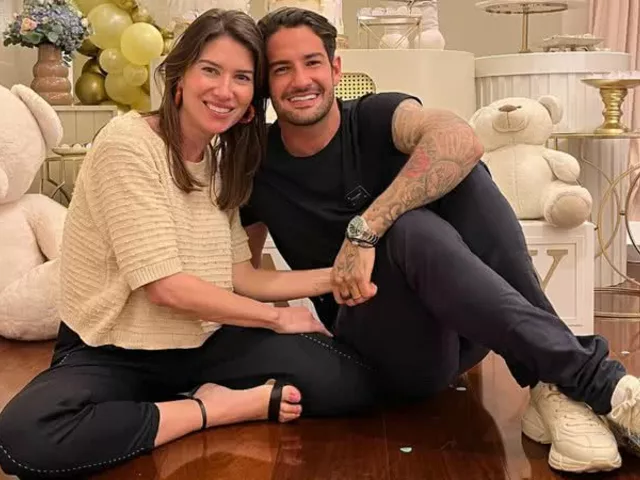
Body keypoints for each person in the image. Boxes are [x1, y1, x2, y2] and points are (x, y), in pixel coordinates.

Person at [241, 6, 640, 474]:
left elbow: (460, 139)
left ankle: (553, 383)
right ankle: (594, 381)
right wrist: (302, 302)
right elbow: (245, 271)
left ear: (335, 69)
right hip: (384, 349)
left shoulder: (373, 116)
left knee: (463, 174)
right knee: (412, 230)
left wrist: (364, 230)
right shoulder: (258, 165)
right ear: (266, 83)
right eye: (281, 69)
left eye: (311, 62)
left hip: (461, 332)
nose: (300, 80)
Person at [0, 9, 378, 479]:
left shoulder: (220, 161)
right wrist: (278, 318)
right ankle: (213, 408)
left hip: (202, 341)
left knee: (353, 383)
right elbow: (165, 287)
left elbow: (242, 276)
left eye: (241, 78)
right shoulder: (127, 144)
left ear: (252, 96)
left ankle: (169, 406)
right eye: (211, 70)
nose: (225, 90)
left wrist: (340, 274)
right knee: (25, 438)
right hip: (114, 349)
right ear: (180, 76)